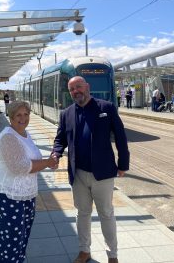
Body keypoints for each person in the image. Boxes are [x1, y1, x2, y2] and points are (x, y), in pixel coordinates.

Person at [52, 76, 130, 263]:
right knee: (82, 214)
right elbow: (60, 139)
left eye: (79, 87)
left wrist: (123, 164)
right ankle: (84, 251)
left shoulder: (106, 108)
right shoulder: (67, 113)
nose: (76, 91)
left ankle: (112, 255)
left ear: (87, 87)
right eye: (72, 89)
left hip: (103, 173)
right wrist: (56, 153)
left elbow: (120, 137)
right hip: (78, 173)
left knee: (106, 214)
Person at [0, 101, 58, 262]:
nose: (23, 118)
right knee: (10, 241)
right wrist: (47, 163)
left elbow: (31, 161)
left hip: (25, 195)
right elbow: (20, 167)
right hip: (6, 195)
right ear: (11, 117)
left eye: (26, 114)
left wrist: (49, 162)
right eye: (18, 115)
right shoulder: (8, 137)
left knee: (21, 238)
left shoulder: (25, 134)